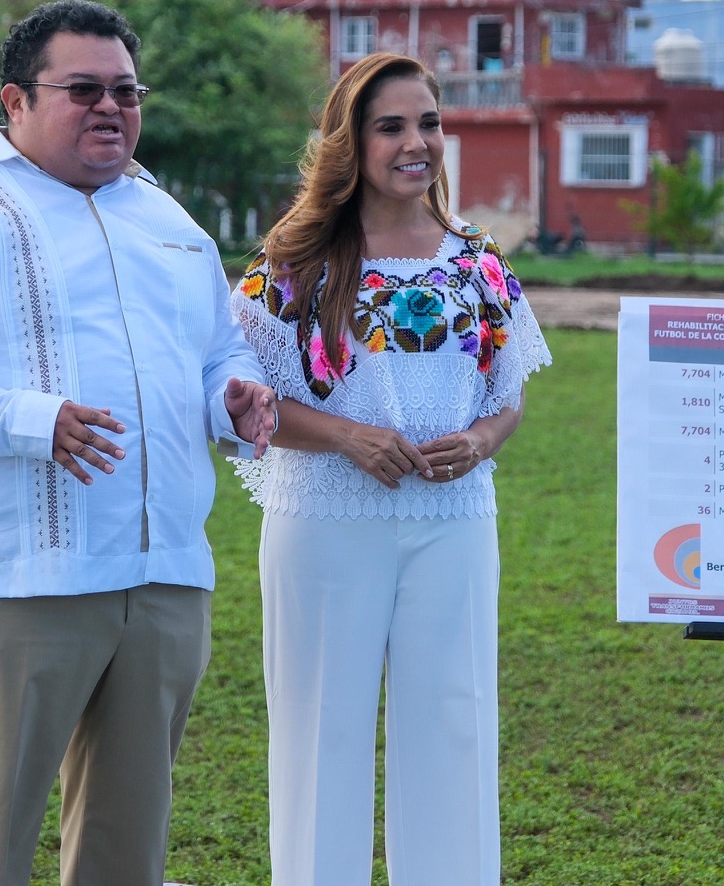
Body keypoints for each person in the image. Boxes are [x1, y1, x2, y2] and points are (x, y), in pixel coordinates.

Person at [0, 0, 279, 886]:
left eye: (126, 89)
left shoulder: (162, 213)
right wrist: (29, 419)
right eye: (82, 89)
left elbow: (217, 344)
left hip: (161, 576)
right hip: (13, 576)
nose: (111, 107)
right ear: (15, 101)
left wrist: (231, 398)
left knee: (129, 850)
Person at [230, 51, 551, 886]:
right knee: (320, 734)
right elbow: (244, 399)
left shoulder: (477, 260)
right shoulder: (293, 261)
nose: (418, 142)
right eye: (393, 126)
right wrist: (344, 435)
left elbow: (506, 391)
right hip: (324, 524)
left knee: (454, 724)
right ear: (351, 140)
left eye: (430, 122)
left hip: (453, 525)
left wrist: (480, 440)